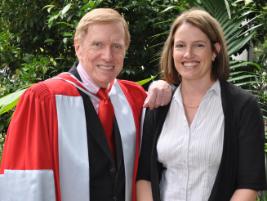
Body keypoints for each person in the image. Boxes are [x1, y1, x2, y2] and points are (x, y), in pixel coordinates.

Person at [0, 8, 172, 201]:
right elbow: (27, 181)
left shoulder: (135, 98)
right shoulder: (44, 100)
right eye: (97, 44)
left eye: (116, 46)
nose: (108, 56)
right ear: (78, 46)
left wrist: (167, 86)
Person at [136, 8, 267, 201]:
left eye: (198, 45)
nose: (188, 54)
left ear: (215, 50)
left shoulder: (243, 106)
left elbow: (249, 184)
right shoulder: (159, 104)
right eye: (180, 45)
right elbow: (145, 176)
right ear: (172, 51)